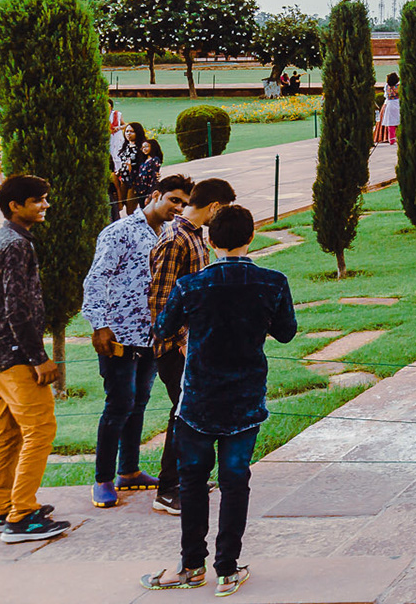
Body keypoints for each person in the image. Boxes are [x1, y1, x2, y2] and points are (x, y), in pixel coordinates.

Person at [144, 205, 298, 595]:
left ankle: (192, 566)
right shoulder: (273, 283)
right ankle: (228, 568)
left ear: (210, 241)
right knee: (235, 480)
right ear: (252, 236)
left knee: (193, 481)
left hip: (197, 398)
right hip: (245, 397)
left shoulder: (191, 286)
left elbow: (163, 327)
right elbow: (286, 333)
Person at [82, 174, 192, 508]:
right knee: (118, 404)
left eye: (184, 203)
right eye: (174, 200)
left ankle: (128, 472)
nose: (178, 207)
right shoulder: (120, 231)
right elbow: (97, 277)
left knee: (139, 401)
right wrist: (100, 324)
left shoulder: (170, 233)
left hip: (152, 335)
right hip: (118, 333)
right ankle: (102, 480)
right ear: (155, 195)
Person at [0, 174, 68, 543]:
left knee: (9, 433)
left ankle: (4, 509)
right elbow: (17, 308)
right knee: (41, 430)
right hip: (17, 355)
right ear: (15, 206)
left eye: (45, 198)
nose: (45, 205)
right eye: (38, 200)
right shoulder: (15, 245)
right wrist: (39, 358)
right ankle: (22, 517)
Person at [148, 178, 236, 517]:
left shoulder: (196, 237)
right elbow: (160, 302)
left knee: (192, 414)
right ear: (214, 207)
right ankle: (169, 490)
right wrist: (180, 342)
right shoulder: (175, 240)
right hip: (175, 349)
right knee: (183, 415)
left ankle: (187, 482)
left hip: (194, 345)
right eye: (223, 210)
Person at [126, 137, 165, 216]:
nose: (144, 149)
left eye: (146, 146)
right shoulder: (144, 162)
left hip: (147, 191)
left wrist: (149, 195)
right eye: (143, 147)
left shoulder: (155, 160)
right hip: (140, 191)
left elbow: (153, 178)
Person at [380, 72, 401, 145]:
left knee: (391, 123)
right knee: (399, 121)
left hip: (389, 103)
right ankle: (400, 137)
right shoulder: (398, 86)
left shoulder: (387, 86)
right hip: (398, 103)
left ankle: (391, 139)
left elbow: (385, 95)